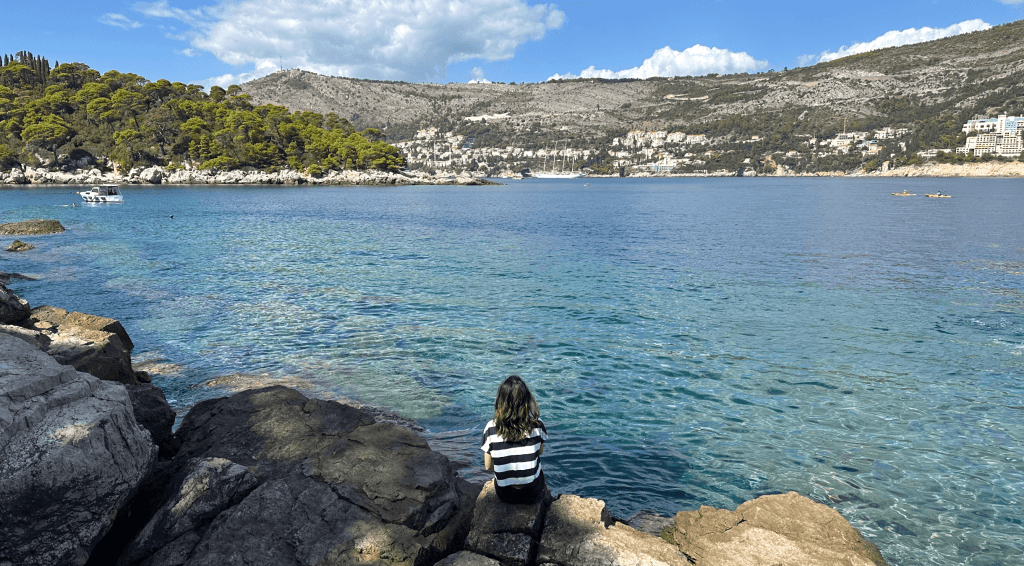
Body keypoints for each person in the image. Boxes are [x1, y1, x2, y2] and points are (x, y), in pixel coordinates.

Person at [481, 375, 549, 504]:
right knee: (539, 466)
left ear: (500, 400)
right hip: (532, 494)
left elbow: (488, 466)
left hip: (505, 495)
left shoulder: (490, 428)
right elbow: (539, 452)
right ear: (527, 399)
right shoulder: (537, 424)